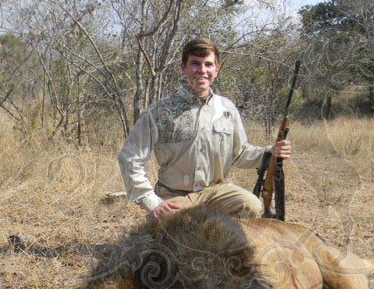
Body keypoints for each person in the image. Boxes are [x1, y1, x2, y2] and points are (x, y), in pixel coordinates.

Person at [118, 38, 292, 220]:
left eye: (208, 64)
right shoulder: (159, 111)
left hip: (216, 193)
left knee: (252, 206)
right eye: (195, 64)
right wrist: (152, 202)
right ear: (183, 67)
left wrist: (271, 152)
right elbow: (130, 158)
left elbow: (240, 154)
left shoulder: (227, 109)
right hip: (175, 195)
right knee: (169, 227)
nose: (202, 70)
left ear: (217, 69)